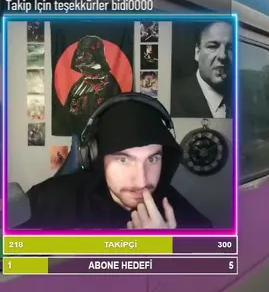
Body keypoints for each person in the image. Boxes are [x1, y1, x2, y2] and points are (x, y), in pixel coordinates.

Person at [17, 93, 213, 230]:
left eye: (152, 158)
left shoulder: (182, 215)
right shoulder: (46, 202)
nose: (141, 181)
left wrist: (165, 256)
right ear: (95, 155)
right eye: (123, 159)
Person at [170, 20, 234, 118]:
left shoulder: (244, 98)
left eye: (231, 48)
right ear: (197, 52)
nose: (223, 55)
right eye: (213, 46)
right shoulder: (171, 98)